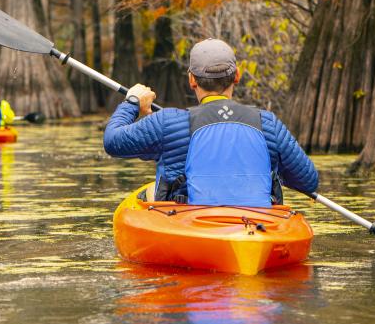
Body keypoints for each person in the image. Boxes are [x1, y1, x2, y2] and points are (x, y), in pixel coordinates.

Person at [104, 38, 318, 207]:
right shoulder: (268, 124)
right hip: (256, 225)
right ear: (237, 76)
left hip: (192, 224)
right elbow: (308, 181)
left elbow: (112, 141)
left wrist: (132, 102)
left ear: (191, 80)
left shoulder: (168, 122)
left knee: (147, 194)